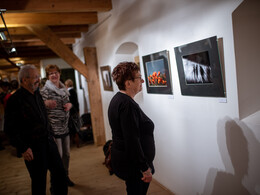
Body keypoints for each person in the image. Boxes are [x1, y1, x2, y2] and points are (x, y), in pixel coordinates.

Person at [4, 65, 68, 195]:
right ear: (24, 80)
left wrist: (51, 135)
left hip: (48, 142)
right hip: (33, 148)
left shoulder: (38, 94)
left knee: (60, 173)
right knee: (39, 182)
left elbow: (44, 117)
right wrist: (22, 148)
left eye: (38, 76)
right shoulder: (14, 100)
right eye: (35, 77)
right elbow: (9, 129)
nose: (38, 80)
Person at [108, 61, 155, 195]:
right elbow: (132, 140)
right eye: (139, 78)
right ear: (128, 83)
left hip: (127, 161)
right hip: (133, 166)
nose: (142, 81)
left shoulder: (118, 99)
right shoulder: (127, 105)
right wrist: (144, 168)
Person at [41, 64, 74, 186]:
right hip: (54, 128)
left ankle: (65, 176)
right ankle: (56, 180)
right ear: (48, 76)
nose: (54, 75)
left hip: (65, 126)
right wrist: (46, 103)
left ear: (59, 73)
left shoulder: (63, 88)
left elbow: (68, 102)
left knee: (67, 154)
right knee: (57, 157)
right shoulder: (45, 90)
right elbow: (40, 105)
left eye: (56, 72)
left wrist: (69, 105)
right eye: (51, 73)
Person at [65, 79, 80, 147]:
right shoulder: (73, 91)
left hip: (71, 112)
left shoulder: (69, 92)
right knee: (75, 126)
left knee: (72, 127)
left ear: (67, 85)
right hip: (75, 111)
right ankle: (74, 141)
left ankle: (73, 142)